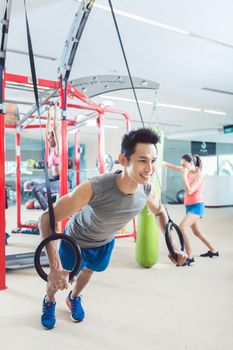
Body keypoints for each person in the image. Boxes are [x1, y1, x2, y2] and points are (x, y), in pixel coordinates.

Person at [38, 128, 186, 330]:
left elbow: (160, 213)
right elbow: (46, 218)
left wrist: (173, 245)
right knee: (60, 278)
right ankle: (49, 300)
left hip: (105, 242)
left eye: (153, 161)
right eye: (142, 160)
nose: (150, 168)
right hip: (76, 239)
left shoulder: (147, 189)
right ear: (123, 160)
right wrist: (54, 266)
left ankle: (74, 298)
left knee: (89, 270)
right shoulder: (95, 187)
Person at [163, 154, 219, 266]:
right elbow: (172, 166)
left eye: (184, 165)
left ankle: (190, 257)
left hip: (197, 205)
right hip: (188, 206)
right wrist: (161, 162)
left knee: (182, 227)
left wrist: (183, 177)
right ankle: (214, 250)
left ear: (191, 163)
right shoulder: (186, 169)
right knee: (197, 232)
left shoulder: (200, 174)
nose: (182, 167)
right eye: (181, 165)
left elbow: (189, 191)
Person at [31, 103, 60, 210]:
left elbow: (55, 128)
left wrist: (56, 109)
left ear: (55, 139)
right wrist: (48, 113)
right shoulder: (51, 150)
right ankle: (49, 208)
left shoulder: (58, 149)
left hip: (61, 181)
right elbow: (47, 131)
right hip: (52, 180)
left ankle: (49, 211)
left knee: (37, 189)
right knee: (34, 186)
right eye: (48, 140)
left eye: (50, 139)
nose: (48, 141)